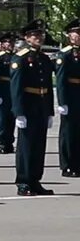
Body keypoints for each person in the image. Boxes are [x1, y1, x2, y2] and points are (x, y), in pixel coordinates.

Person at [11, 19, 54, 195]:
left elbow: (49, 87)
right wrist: (19, 112)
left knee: (39, 145)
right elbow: (16, 88)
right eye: (35, 35)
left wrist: (50, 111)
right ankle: (24, 181)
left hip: (41, 105)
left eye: (40, 35)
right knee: (26, 146)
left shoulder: (43, 58)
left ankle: (35, 180)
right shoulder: (20, 59)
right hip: (28, 106)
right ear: (27, 38)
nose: (39, 38)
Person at [55, 19, 80, 178]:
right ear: (69, 35)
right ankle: (68, 164)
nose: (78, 36)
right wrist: (62, 102)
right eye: (76, 33)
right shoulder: (65, 55)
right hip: (71, 95)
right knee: (68, 132)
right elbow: (61, 80)